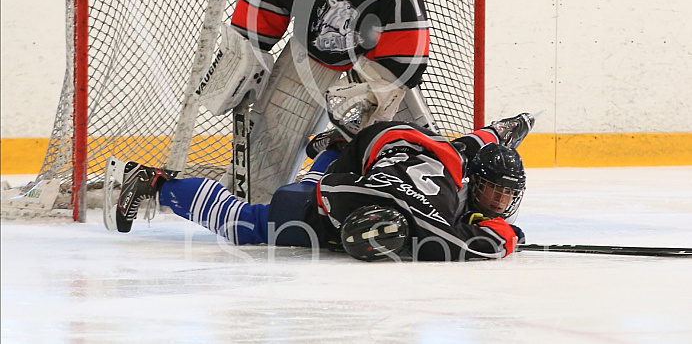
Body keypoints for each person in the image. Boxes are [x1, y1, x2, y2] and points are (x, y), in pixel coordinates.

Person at [197, 0, 435, 201]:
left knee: (411, 144)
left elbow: (408, 43)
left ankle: (412, 197)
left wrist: (380, 92)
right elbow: (251, 33)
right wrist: (236, 72)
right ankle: (259, 208)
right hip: (310, 54)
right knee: (267, 152)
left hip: (373, 60)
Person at [107, 112, 534, 262]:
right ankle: (155, 182)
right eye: (492, 191)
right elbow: (462, 246)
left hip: (386, 143)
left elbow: (483, 137)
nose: (498, 202)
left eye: (505, 195)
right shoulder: (434, 209)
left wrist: (511, 128)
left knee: (311, 192)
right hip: (369, 158)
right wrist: (504, 237)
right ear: (472, 183)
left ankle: (333, 146)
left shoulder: (460, 157)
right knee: (251, 225)